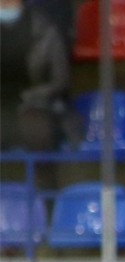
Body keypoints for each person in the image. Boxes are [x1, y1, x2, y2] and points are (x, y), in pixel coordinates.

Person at [0, 0, 72, 154]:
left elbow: (60, 80)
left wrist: (31, 96)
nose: (5, 4)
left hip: (35, 103)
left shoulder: (44, 30)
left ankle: (43, 176)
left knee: (37, 128)